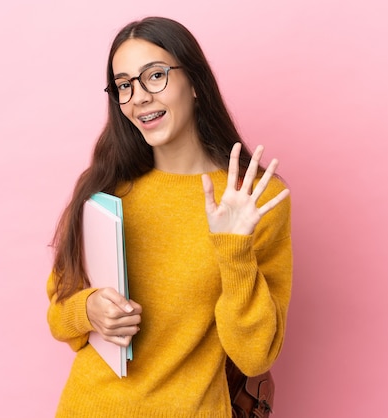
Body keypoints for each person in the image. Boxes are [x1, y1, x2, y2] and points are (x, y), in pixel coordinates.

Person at [46, 16, 292, 417]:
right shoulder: (107, 189)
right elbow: (59, 312)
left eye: (154, 76)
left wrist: (233, 249)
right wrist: (88, 310)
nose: (138, 97)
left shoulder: (256, 198)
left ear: (194, 83)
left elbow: (254, 356)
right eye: (124, 85)